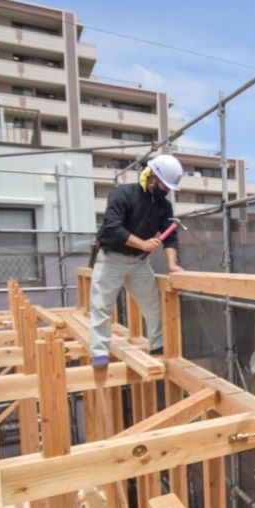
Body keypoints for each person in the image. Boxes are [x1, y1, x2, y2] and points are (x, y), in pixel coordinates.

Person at [89, 154, 185, 369]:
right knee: (101, 306)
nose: (166, 190)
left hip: (138, 263)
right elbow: (112, 228)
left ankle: (157, 346)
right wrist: (143, 244)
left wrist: (172, 265)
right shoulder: (122, 194)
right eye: (164, 185)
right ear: (151, 177)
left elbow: (170, 236)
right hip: (111, 259)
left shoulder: (164, 206)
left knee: (152, 305)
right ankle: (99, 352)